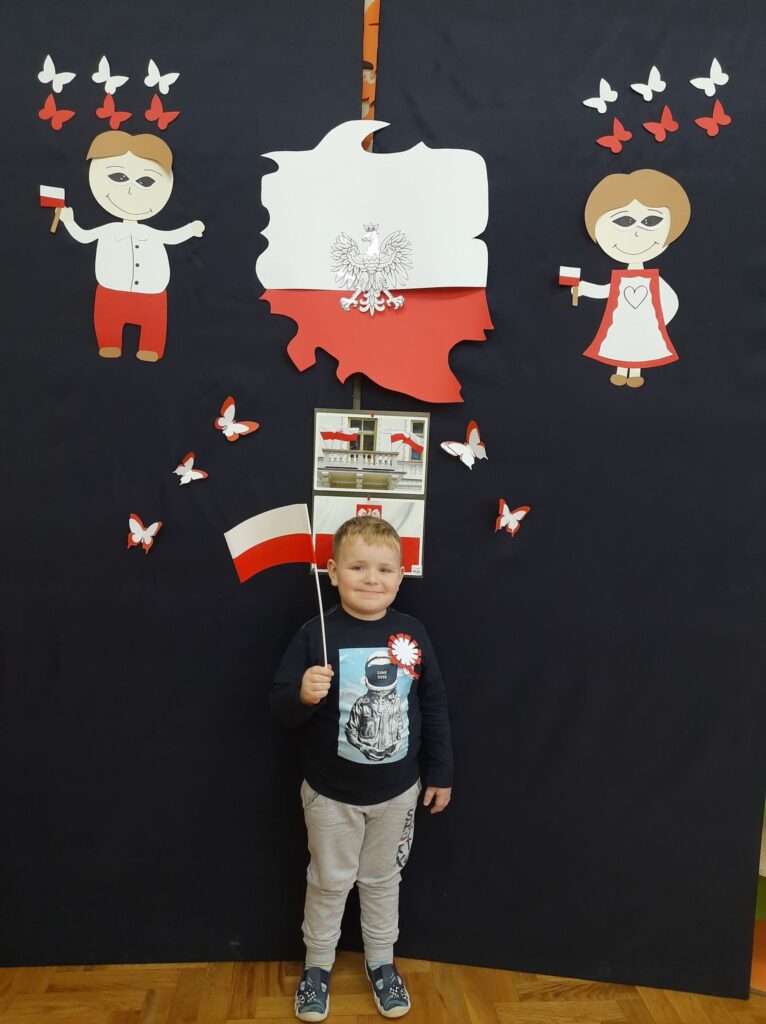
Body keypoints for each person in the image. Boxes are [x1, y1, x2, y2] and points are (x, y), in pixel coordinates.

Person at [271, 516, 452, 1020]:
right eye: (357, 567)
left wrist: (441, 772)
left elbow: (434, 704)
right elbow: (278, 710)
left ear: (400, 576)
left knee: (382, 880)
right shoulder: (315, 632)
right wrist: (301, 695)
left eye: (384, 569)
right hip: (330, 795)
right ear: (332, 572)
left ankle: (381, 962)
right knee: (329, 881)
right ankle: (317, 966)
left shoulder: (413, 633)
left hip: (397, 794)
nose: (371, 579)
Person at [59, 130, 204, 361]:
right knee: (108, 321)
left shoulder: (150, 233)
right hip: (111, 292)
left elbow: (171, 237)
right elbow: (84, 237)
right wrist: (69, 221)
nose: (130, 190)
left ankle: (151, 347)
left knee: (153, 324)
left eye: (145, 181)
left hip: (151, 295)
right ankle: (109, 343)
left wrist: (190, 230)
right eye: (118, 177)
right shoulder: (109, 230)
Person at [577, 169, 691, 389]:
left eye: (650, 221)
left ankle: (635, 373)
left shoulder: (654, 279)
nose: (637, 232)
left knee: (639, 347)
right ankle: (621, 371)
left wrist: (659, 321)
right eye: (624, 221)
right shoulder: (621, 278)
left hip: (646, 323)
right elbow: (606, 290)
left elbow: (671, 300)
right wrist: (583, 288)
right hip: (621, 322)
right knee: (621, 345)